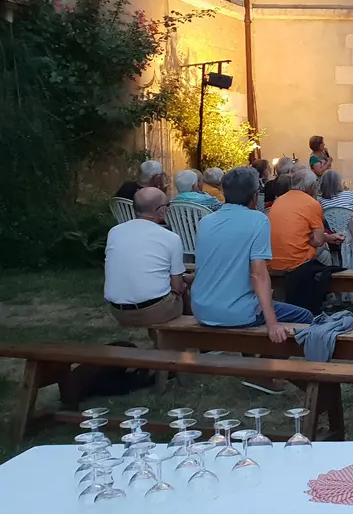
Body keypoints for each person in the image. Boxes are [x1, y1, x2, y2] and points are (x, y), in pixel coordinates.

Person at [190, 167, 315, 393]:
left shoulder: (206, 221)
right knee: (304, 316)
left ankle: (254, 366)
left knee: (260, 301)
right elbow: (259, 274)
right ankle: (261, 373)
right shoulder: (258, 220)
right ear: (254, 195)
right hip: (234, 311)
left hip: (201, 308)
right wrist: (272, 324)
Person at [104, 187, 188, 327]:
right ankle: (191, 343)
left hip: (118, 311)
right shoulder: (171, 238)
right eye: (168, 205)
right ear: (161, 210)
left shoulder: (114, 232)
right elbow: (177, 287)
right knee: (185, 292)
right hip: (154, 311)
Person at [268, 167, 344, 272]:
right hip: (297, 262)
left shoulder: (278, 201)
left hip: (273, 261)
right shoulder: (312, 203)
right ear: (312, 187)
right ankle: (325, 285)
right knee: (325, 252)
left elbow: (297, 233)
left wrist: (328, 237)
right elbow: (318, 241)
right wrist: (320, 239)